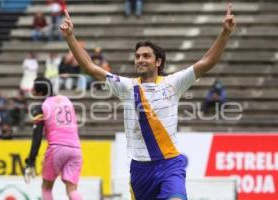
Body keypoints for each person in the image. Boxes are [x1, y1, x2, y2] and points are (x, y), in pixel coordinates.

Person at [60, 3, 235, 200]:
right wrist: (70, 37)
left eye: (146, 56)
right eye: (137, 56)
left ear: (158, 62)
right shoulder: (126, 86)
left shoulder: (173, 83)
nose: (140, 60)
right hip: (140, 170)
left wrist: (225, 33)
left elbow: (206, 62)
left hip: (170, 164)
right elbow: (91, 67)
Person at [24, 77, 83, 200]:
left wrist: (31, 161)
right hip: (76, 148)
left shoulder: (40, 108)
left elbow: (37, 136)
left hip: (57, 148)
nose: (32, 90)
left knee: (46, 188)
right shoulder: (66, 100)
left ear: (39, 92)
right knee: (72, 189)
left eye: (34, 88)